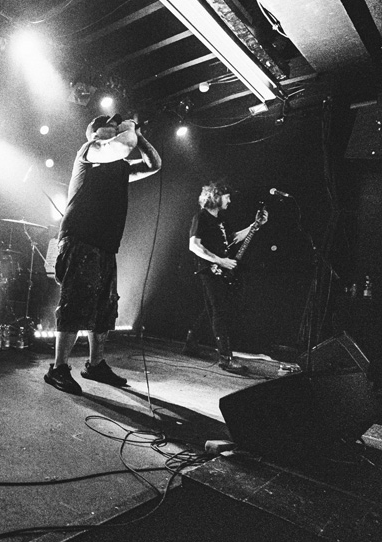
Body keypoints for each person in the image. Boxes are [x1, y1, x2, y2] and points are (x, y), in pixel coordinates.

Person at [43, 114, 161, 395]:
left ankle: (95, 365)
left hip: (106, 244)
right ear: (95, 132)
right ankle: (58, 368)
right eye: (112, 124)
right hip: (80, 238)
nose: (118, 126)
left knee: (104, 307)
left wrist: (140, 136)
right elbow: (124, 143)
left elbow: (154, 164)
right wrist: (130, 128)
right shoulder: (90, 151)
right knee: (75, 303)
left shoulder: (120, 165)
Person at [185, 181, 267, 374]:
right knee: (219, 311)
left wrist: (255, 225)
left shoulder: (221, 220)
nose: (230, 201)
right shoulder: (201, 217)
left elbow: (234, 238)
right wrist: (220, 261)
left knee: (212, 309)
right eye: (227, 197)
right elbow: (194, 245)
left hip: (220, 269)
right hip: (209, 270)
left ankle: (191, 341)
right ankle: (225, 358)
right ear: (216, 196)